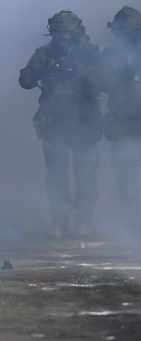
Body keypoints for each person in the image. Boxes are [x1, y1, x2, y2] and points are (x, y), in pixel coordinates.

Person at [19, 10, 102, 239]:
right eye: (59, 33)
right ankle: (59, 221)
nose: (64, 38)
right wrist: (46, 71)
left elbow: (104, 82)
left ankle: (84, 221)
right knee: (56, 176)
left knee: (86, 174)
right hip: (55, 123)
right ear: (52, 34)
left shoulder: (90, 53)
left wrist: (83, 73)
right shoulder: (44, 54)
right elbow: (25, 80)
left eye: (68, 33)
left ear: (76, 33)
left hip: (84, 122)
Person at [102, 6, 141, 235]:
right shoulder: (111, 55)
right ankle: (131, 221)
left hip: (128, 119)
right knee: (125, 173)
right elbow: (100, 83)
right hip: (123, 121)